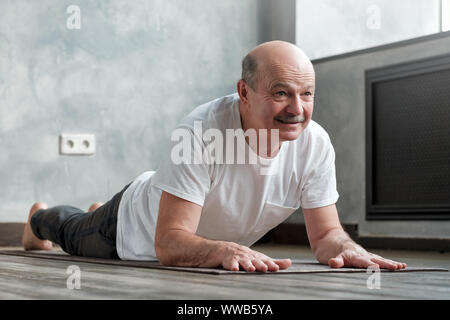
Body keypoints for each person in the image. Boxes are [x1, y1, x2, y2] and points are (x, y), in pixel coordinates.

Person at [22, 40, 407, 272]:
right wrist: (220, 249)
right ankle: (37, 217)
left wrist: (346, 248)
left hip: (171, 206)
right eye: (280, 93)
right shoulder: (200, 132)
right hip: (133, 229)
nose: (297, 109)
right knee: (70, 230)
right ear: (244, 92)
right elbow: (169, 242)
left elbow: (325, 235)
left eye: (306, 94)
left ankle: (97, 207)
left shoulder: (316, 144)